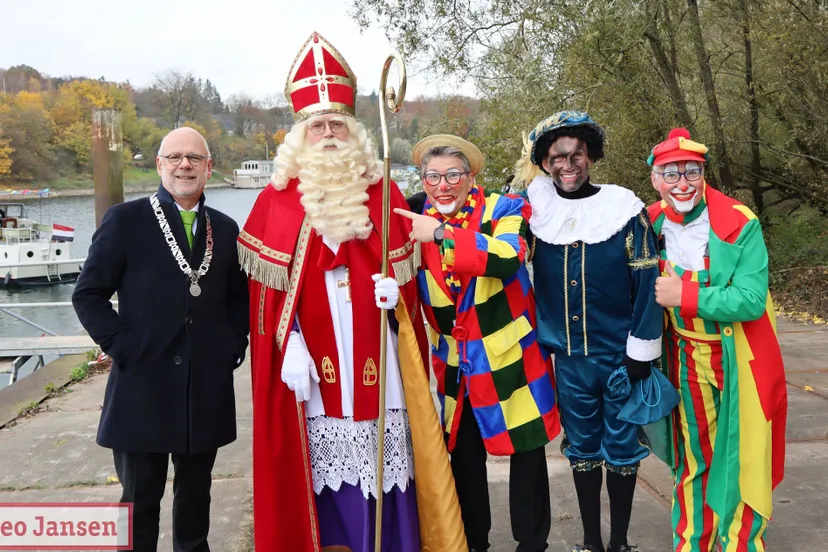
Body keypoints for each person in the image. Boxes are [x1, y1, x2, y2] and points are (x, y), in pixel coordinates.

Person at [237, 32, 466, 552]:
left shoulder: (381, 190)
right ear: (300, 134)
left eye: (337, 123)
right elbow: (268, 296)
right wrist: (287, 342)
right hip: (311, 367)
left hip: (377, 353)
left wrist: (395, 296)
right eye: (317, 125)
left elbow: (411, 286)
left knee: (384, 461)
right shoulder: (275, 202)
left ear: (354, 128)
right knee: (320, 469)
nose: (328, 133)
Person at [71, 126, 250, 551]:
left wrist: (230, 348)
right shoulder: (125, 220)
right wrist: (123, 348)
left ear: (209, 167)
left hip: (204, 386)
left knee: (195, 499)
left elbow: (239, 298)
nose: (184, 165)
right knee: (139, 501)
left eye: (193, 158)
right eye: (174, 157)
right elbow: (89, 294)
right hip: (142, 387)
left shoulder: (225, 229)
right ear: (159, 165)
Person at [395, 134, 560, 552]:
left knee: (526, 450)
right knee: (464, 457)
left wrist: (441, 235)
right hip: (454, 362)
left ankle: (532, 543)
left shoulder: (503, 208)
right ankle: (473, 542)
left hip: (511, 357)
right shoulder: (413, 214)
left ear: (471, 177)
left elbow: (507, 257)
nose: (443, 185)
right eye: (432, 177)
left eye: (453, 174)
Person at [523, 111, 664, 552]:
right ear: (545, 164)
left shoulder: (623, 209)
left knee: (623, 448)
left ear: (590, 156)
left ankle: (619, 542)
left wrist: (642, 351)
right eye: (557, 156)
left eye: (576, 154)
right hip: (568, 361)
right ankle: (590, 542)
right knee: (582, 449)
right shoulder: (534, 214)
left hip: (621, 357)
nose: (568, 164)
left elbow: (647, 281)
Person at [645, 128, 788, 552]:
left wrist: (684, 293)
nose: (682, 183)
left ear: (704, 173)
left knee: (742, 458)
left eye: (692, 171)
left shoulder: (739, 221)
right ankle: (693, 543)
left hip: (739, 357)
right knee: (694, 460)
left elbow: (749, 300)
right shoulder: (649, 222)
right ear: (655, 179)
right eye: (670, 174)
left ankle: (740, 545)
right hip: (684, 356)